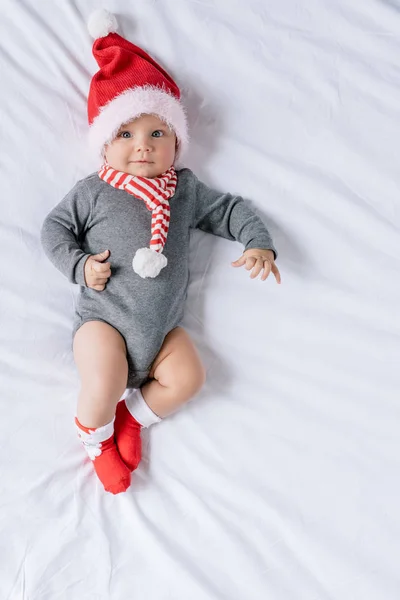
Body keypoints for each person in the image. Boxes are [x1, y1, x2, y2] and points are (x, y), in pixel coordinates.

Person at [41, 9, 281, 494]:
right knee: (102, 379)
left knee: (190, 376)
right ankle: (96, 437)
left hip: (161, 334)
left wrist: (258, 241)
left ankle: (131, 419)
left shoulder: (184, 190)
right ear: (104, 146)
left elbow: (230, 211)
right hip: (103, 322)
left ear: (177, 143)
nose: (143, 147)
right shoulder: (94, 191)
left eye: (158, 134)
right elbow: (54, 229)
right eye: (125, 134)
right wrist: (80, 266)